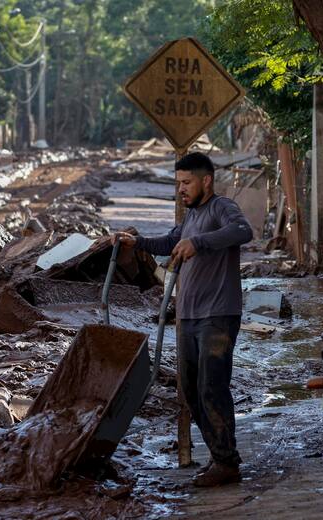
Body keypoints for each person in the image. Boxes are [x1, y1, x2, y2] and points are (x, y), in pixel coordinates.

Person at [111, 151, 253, 487]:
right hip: (188, 315)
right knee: (190, 390)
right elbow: (170, 242)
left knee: (211, 387)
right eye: (178, 184)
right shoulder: (190, 217)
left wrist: (199, 243)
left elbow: (243, 231)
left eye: (186, 183)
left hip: (217, 314)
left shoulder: (221, 207)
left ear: (206, 181)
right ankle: (223, 455)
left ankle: (226, 462)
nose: (181, 190)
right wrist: (137, 241)